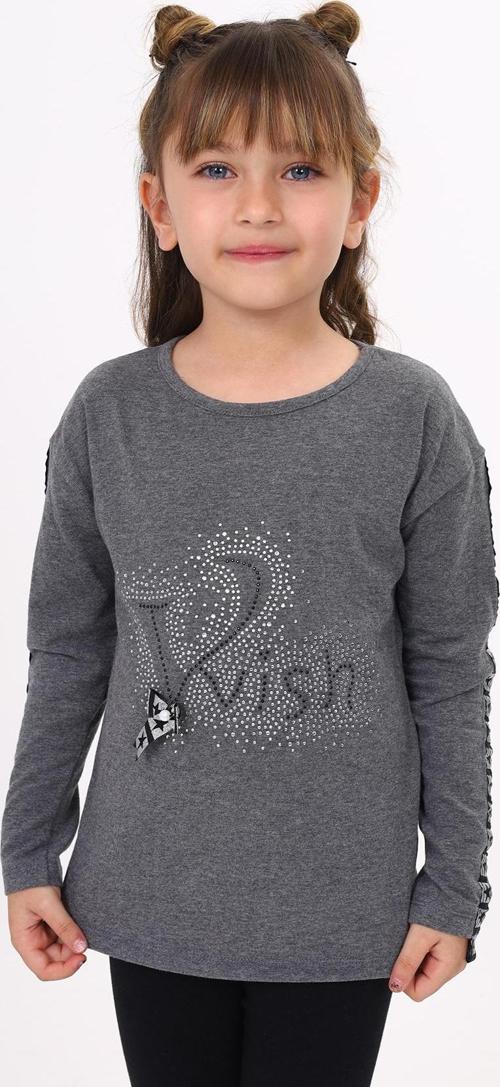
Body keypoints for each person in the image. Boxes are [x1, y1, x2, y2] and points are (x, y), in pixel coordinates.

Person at [2, 3, 498, 1085]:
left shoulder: (413, 419)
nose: (260, 205)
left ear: (360, 202)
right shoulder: (108, 416)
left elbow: (451, 668)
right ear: (160, 205)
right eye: (218, 169)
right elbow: (69, 650)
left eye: (302, 170)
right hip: (148, 898)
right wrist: (25, 847)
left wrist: (455, 884)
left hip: (343, 914)